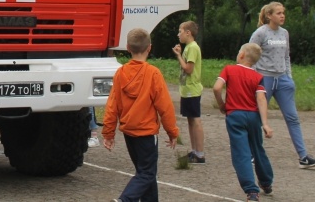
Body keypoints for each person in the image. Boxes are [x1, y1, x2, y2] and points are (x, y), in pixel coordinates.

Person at [103, 28, 179, 202]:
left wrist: (109, 132)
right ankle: (124, 199)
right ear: (149, 48)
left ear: (128, 47)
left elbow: (112, 106)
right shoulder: (153, 74)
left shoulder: (120, 73)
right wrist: (172, 131)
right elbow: (165, 107)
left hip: (129, 132)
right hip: (146, 133)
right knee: (147, 173)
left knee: (144, 173)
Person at [250, 2, 315, 169]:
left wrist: (289, 78)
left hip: (283, 80)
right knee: (257, 117)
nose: (282, 15)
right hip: (265, 79)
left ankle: (303, 157)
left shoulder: (284, 33)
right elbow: (249, 56)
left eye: (283, 13)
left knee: (292, 117)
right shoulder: (260, 33)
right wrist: (255, 79)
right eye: (278, 13)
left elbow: (286, 57)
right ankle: (252, 153)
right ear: (269, 16)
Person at [212, 42, 274, 201]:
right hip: (253, 116)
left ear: (241, 55)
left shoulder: (229, 70)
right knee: (257, 148)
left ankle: (252, 191)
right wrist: (265, 123)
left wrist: (221, 104)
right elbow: (261, 98)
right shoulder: (258, 77)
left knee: (241, 153)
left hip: (235, 116)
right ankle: (266, 182)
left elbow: (217, 88)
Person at [172, 20, 205, 164]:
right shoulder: (188, 48)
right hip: (186, 89)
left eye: (180, 31)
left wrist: (178, 56)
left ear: (188, 33)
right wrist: (180, 53)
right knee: (190, 120)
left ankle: (200, 153)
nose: (178, 34)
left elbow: (189, 69)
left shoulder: (192, 47)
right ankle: (194, 151)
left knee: (195, 120)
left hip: (192, 89)